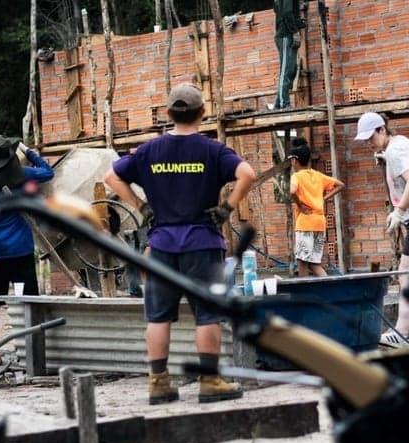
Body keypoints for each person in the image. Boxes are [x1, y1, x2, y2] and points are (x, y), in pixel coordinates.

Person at [104, 83, 256, 405]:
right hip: (202, 243)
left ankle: (158, 384)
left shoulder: (149, 151)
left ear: (169, 114)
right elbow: (248, 174)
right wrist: (227, 208)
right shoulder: (212, 150)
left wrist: (140, 206)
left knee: (157, 316)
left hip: (160, 245)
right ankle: (210, 381)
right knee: (207, 314)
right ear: (203, 113)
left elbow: (111, 178)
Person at [354, 112, 409, 348]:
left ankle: (401, 333)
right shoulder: (401, 143)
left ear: (382, 130)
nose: (368, 143)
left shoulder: (394, 151)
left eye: (370, 137)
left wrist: (400, 210)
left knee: (406, 273)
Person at [0, 135, 54, 365]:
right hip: (20, 251)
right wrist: (28, 152)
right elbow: (48, 171)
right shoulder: (22, 175)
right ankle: (30, 351)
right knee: (25, 299)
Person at [289, 137, 344, 277]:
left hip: (305, 223)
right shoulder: (318, 175)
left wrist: (300, 205)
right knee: (314, 264)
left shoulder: (297, 176)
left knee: (302, 262)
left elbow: (292, 191)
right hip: (320, 223)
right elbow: (340, 185)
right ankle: (330, 290)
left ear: (294, 160)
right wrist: (324, 198)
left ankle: (304, 296)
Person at [273, 0, 304, 109]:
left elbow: (281, 12)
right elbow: (286, 13)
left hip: (286, 34)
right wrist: (295, 31)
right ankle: (283, 103)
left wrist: (299, 23)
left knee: (290, 69)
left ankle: (277, 103)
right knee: (286, 70)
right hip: (285, 35)